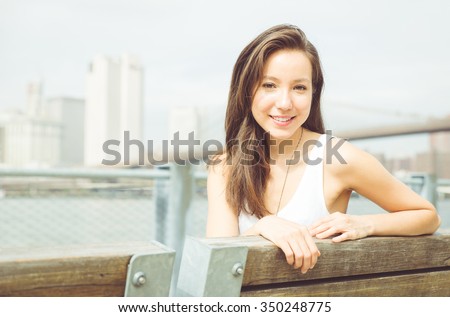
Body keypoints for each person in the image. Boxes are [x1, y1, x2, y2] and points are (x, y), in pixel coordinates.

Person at [206, 24, 440, 274]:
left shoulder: (337, 158)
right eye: (269, 85)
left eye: (299, 88)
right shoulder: (225, 166)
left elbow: (427, 215)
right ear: (246, 91)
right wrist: (262, 228)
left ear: (313, 93)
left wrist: (363, 223)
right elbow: (218, 269)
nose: (285, 103)